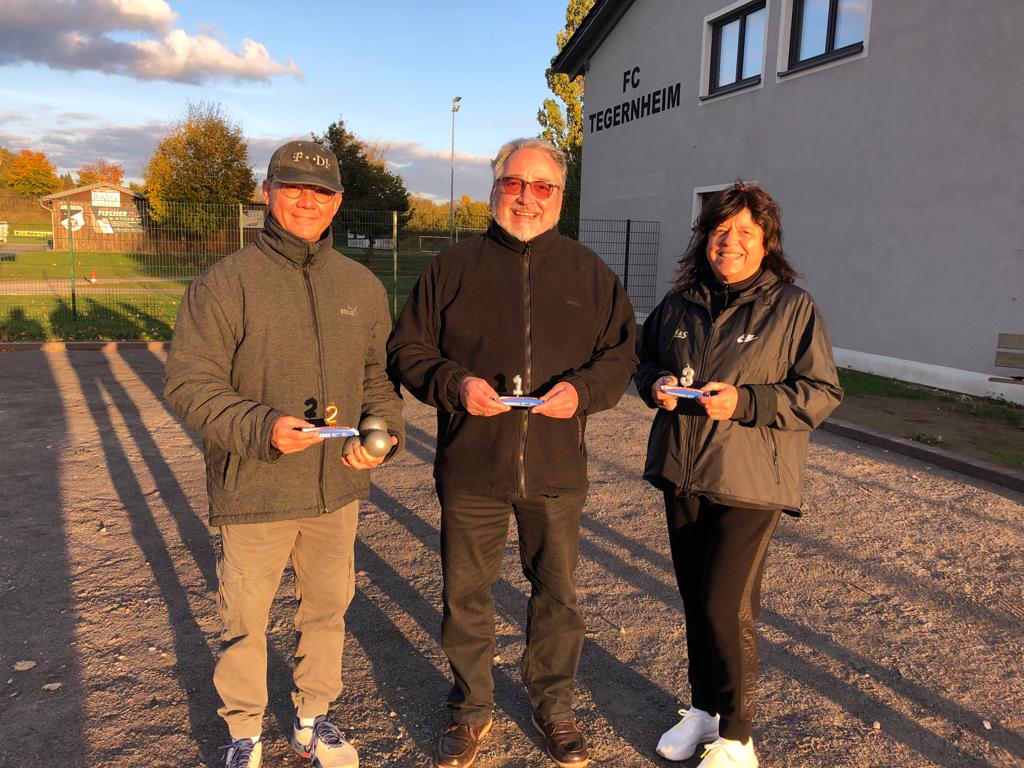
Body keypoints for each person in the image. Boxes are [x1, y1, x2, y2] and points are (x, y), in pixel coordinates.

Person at [387, 137, 636, 768]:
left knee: (556, 596)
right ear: (495, 188)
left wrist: (579, 394)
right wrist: (455, 385)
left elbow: (621, 358)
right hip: (472, 465)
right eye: (514, 183)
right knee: (465, 596)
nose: (527, 197)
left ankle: (553, 707)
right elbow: (407, 351)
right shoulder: (452, 268)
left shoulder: (591, 275)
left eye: (542, 185)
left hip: (555, 469)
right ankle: (470, 710)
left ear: (560, 193)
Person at [165, 140, 403, 768]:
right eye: (292, 186)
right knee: (245, 617)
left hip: (336, 486)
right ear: (266, 192)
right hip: (256, 485)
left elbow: (379, 378)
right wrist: (261, 427)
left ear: (338, 203)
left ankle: (311, 718)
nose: (306, 200)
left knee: (327, 610)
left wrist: (384, 434)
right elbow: (189, 383)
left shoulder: (361, 286)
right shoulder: (226, 283)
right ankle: (243, 731)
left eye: (321, 191)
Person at [635, 182, 842, 768]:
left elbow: (821, 392)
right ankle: (702, 710)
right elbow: (644, 359)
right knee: (696, 600)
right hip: (683, 469)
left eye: (745, 233)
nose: (731, 243)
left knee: (728, 604)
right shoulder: (678, 304)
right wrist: (655, 384)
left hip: (752, 481)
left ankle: (739, 734)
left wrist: (745, 403)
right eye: (720, 232)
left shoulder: (793, 306)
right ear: (705, 239)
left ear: (766, 243)